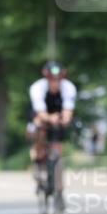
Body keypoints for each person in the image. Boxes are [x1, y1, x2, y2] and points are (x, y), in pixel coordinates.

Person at [28, 61, 77, 194]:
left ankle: (58, 181)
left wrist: (65, 118)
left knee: (57, 145)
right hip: (41, 113)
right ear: (47, 79)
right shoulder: (37, 88)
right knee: (38, 127)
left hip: (57, 113)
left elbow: (68, 109)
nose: (55, 83)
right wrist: (49, 118)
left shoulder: (68, 87)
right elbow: (40, 111)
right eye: (52, 80)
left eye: (58, 80)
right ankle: (38, 158)